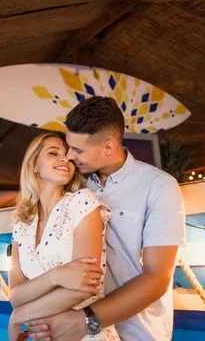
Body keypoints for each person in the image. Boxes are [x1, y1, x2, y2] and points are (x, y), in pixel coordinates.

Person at [27, 96, 186, 341]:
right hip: (73, 330)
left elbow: (157, 278)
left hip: (135, 332)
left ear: (108, 147)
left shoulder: (159, 186)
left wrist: (84, 321)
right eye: (69, 146)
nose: (69, 156)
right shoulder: (73, 185)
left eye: (78, 150)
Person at [7, 132, 120, 341]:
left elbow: (86, 286)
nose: (65, 158)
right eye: (53, 153)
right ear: (33, 165)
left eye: (67, 155)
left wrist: (20, 315)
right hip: (45, 335)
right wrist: (56, 276)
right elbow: (15, 295)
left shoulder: (82, 202)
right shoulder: (21, 223)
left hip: (86, 335)